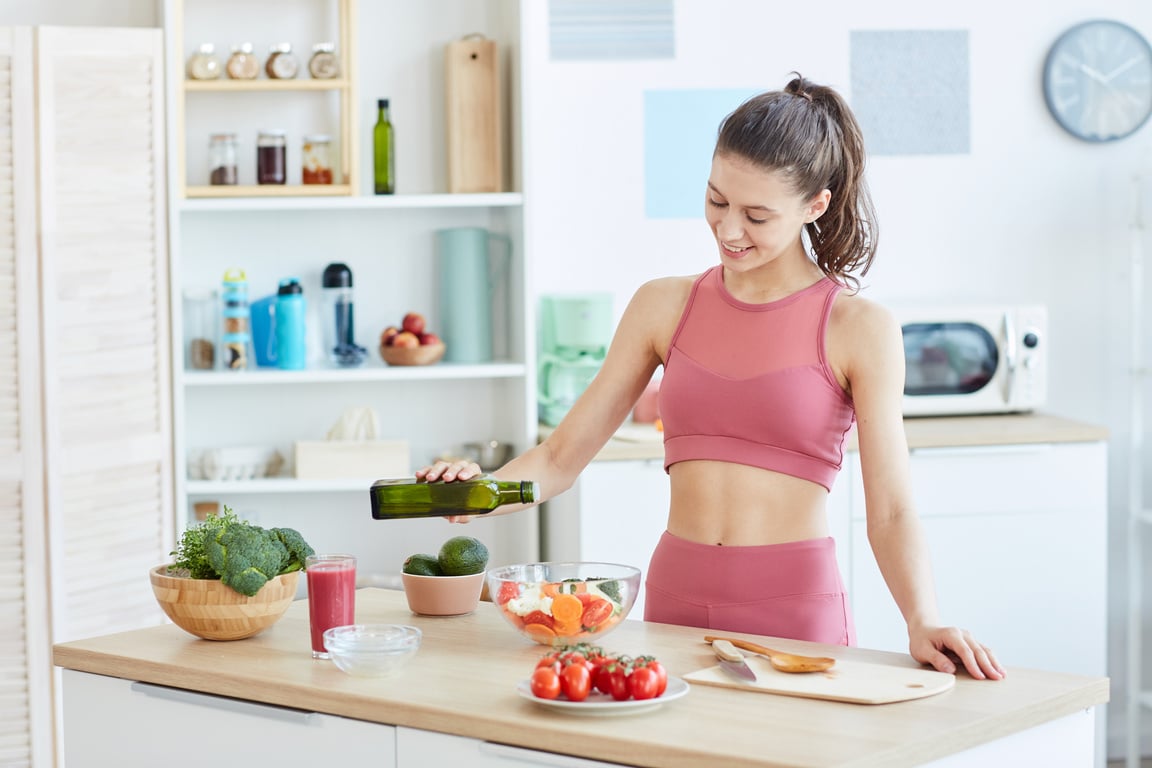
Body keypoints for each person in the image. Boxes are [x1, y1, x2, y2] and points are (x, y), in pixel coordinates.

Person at [419, 74, 1005, 681]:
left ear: (815, 205)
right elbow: (560, 458)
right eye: (716, 200)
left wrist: (922, 618)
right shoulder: (663, 305)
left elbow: (891, 511)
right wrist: (476, 495)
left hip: (794, 610)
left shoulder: (859, 328)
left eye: (756, 215)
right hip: (675, 602)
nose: (728, 230)